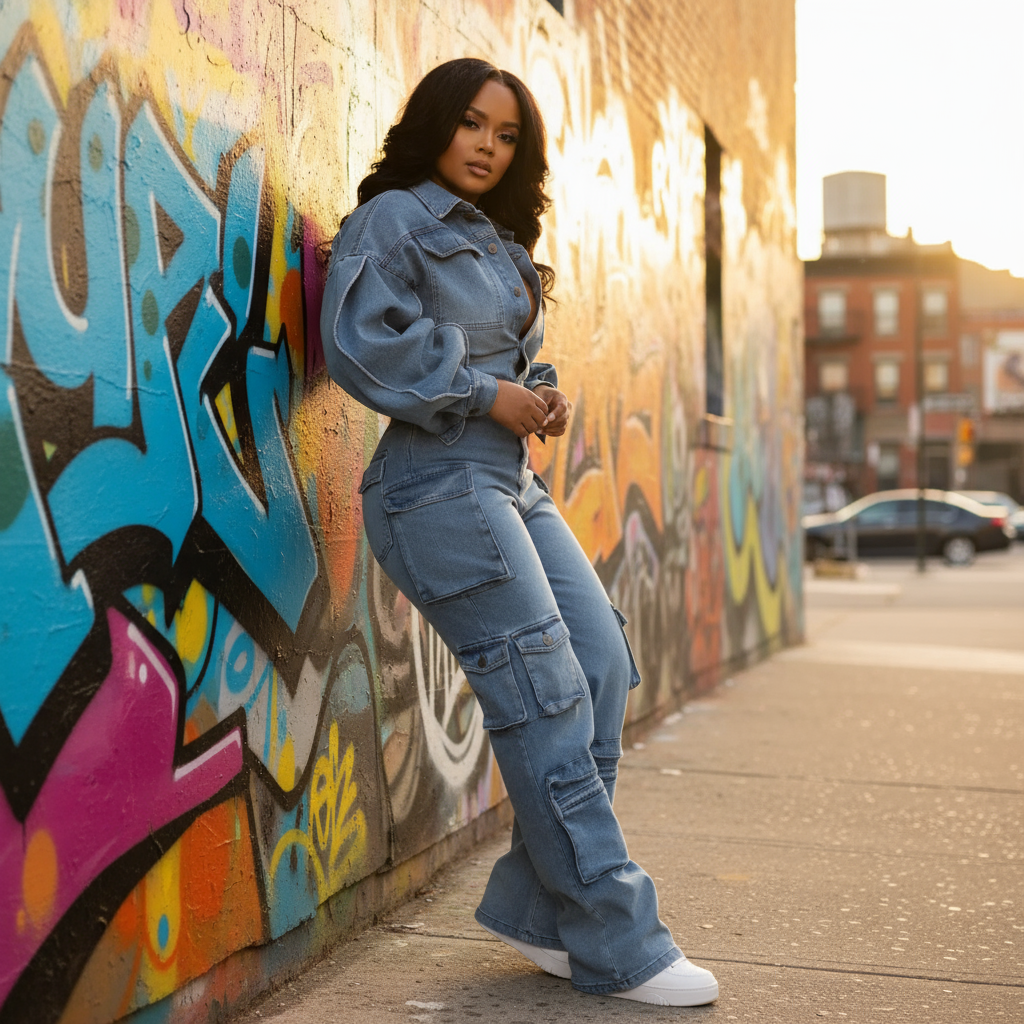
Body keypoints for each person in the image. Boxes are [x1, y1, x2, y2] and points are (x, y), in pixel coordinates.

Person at [320, 57, 718, 1007]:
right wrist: (481, 393)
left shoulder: (497, 239)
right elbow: (359, 345)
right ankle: (617, 939)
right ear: (434, 126)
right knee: (544, 697)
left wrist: (536, 397)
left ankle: (548, 916)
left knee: (602, 668)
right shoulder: (395, 220)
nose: (488, 147)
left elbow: (506, 360)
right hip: (434, 489)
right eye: (471, 125)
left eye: (506, 135)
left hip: (508, 482)